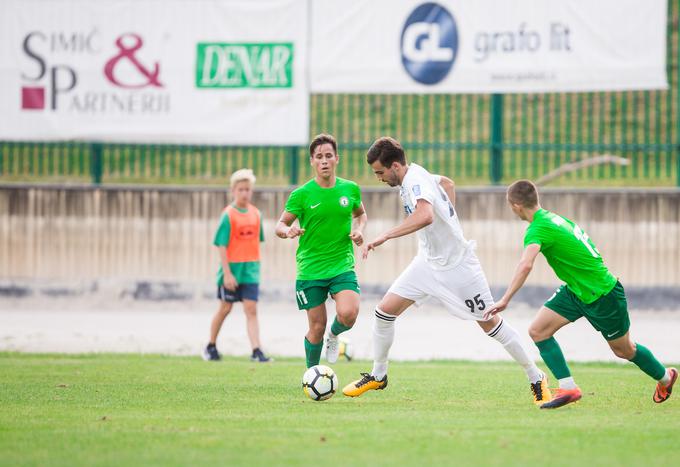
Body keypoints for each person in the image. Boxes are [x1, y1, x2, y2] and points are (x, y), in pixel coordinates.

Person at [343, 137, 550, 406]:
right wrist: (450, 215)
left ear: (395, 166)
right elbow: (448, 183)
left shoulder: (415, 180)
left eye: (380, 172)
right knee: (384, 312)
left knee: (490, 323)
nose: (379, 178)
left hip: (458, 267)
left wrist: (385, 236)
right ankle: (378, 375)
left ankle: (536, 376)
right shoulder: (416, 175)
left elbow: (425, 215)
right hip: (427, 263)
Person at [484, 179, 677, 408]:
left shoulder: (537, 228)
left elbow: (526, 264)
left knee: (624, 350)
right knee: (538, 331)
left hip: (603, 294)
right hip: (576, 291)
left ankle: (666, 377)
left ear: (515, 205)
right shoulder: (554, 218)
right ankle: (568, 388)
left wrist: (505, 299)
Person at [275, 134, 367, 368]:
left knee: (349, 313)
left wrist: (359, 230)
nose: (324, 161)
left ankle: (334, 336)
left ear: (337, 158)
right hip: (311, 270)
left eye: (328, 156)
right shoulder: (302, 194)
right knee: (316, 327)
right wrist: (288, 231)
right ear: (312, 162)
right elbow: (279, 225)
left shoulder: (350, 189)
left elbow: (361, 214)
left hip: (341, 265)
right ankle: (312, 374)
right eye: (319, 157)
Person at [203, 169, 270, 363]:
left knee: (251, 309)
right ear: (233, 190)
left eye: (248, 189)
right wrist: (227, 273)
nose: (244, 193)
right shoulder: (228, 215)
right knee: (225, 308)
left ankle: (257, 351)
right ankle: (210, 346)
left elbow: (257, 243)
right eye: (240, 189)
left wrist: (255, 267)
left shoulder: (257, 214)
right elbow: (221, 244)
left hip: (250, 271)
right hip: (231, 271)